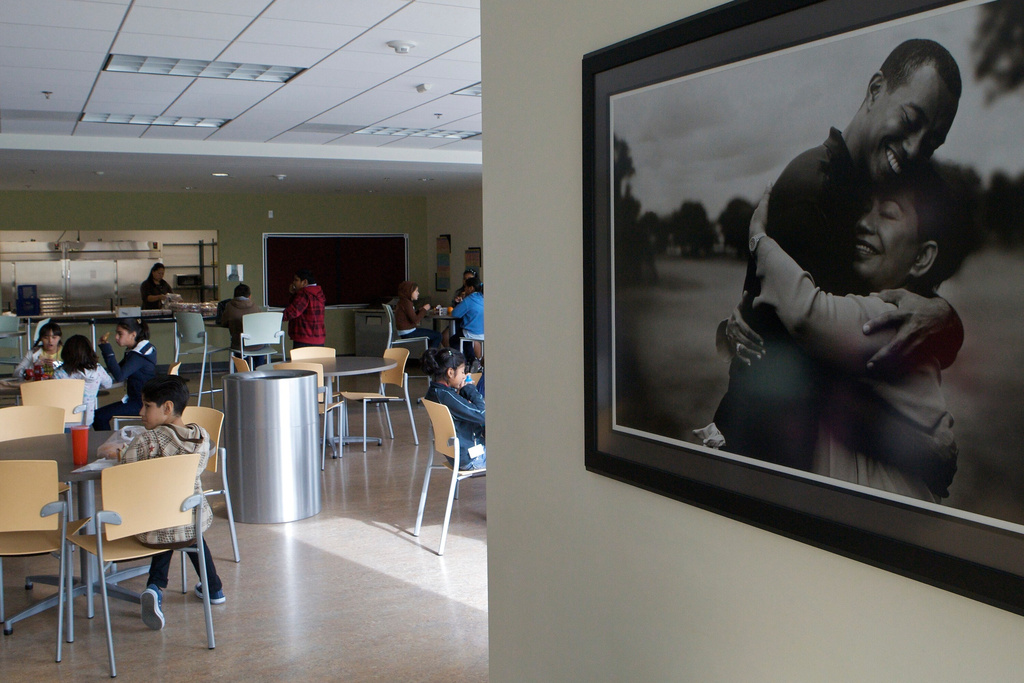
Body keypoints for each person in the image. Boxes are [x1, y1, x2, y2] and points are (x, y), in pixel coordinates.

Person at [712, 39, 964, 470]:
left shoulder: (875, 188)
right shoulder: (814, 189)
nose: (916, 148)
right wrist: (917, 448)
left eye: (933, 141)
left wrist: (943, 317)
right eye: (910, 120)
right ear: (874, 90)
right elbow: (825, 366)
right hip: (764, 458)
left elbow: (897, 304)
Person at [735, 175, 969, 500]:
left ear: (922, 258)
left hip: (887, 521)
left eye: (887, 213)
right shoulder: (882, 311)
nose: (863, 224)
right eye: (864, 210)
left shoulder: (892, 317)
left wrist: (759, 238)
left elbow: (807, 312)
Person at [114, 375, 226, 630]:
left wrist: (117, 454)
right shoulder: (201, 436)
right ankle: (214, 589)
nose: (141, 412)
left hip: (152, 528)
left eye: (146, 406)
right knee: (184, 531)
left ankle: (155, 586)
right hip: (192, 520)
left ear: (166, 408)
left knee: (163, 524)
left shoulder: (147, 440)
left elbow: (123, 476)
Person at [422, 347, 486, 470]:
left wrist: (461, 392)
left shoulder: (434, 392)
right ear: (450, 372)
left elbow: (459, 409)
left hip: (457, 455)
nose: (464, 376)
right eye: (462, 372)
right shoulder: (447, 396)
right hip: (472, 456)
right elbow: (482, 415)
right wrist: (470, 389)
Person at [94, 318, 157, 430]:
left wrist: (107, 350)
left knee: (99, 416)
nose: (116, 337)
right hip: (139, 399)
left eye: (120, 334)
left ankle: (108, 445)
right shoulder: (136, 351)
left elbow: (119, 376)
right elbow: (117, 370)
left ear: (133, 335)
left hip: (141, 403)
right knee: (99, 415)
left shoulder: (139, 355)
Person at [55, 334, 112, 426]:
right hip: (87, 418)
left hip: (65, 419)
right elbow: (108, 384)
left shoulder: (60, 373)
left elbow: (54, 395)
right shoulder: (97, 370)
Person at [283, 268, 325, 348]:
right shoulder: (318, 292)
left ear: (304, 282)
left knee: (301, 361)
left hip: (304, 338)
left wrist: (276, 318)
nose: (293, 283)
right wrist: (295, 294)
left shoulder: (304, 293)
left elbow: (292, 311)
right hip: (319, 338)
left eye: (296, 280)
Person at [449, 276, 484, 371]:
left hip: (471, 332)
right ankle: (473, 360)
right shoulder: (483, 298)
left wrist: (461, 303)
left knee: (454, 340)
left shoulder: (470, 299)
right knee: (465, 339)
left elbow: (455, 313)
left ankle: (461, 363)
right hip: (483, 333)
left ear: (470, 288)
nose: (464, 289)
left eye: (465, 287)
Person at [395, 280, 441, 348]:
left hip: (405, 331)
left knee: (432, 336)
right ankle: (430, 356)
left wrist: (420, 311)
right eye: (416, 291)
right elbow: (415, 320)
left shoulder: (403, 301)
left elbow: (410, 316)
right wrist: (424, 309)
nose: (418, 293)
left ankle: (428, 355)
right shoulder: (407, 303)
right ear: (409, 292)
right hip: (408, 332)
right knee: (438, 335)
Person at [219, 283, 257, 353]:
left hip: (239, 345)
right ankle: (260, 364)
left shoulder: (229, 306)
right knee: (259, 351)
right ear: (250, 296)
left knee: (238, 347)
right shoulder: (256, 307)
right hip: (257, 344)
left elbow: (223, 322)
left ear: (234, 296)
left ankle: (241, 364)